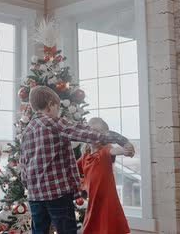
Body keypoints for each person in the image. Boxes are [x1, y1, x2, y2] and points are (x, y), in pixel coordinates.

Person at [20, 86, 133, 234]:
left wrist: (29, 185)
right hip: (57, 193)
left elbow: (23, 165)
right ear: (50, 104)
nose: (57, 112)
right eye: (57, 107)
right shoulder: (55, 123)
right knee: (66, 230)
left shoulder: (27, 131)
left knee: (39, 231)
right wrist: (122, 140)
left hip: (35, 196)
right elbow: (90, 134)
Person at [77, 118, 135, 234]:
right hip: (94, 201)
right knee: (93, 227)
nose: (95, 136)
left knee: (109, 227)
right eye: (92, 132)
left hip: (107, 200)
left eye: (99, 132)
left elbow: (115, 151)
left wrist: (125, 150)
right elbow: (71, 169)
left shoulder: (105, 151)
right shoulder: (84, 158)